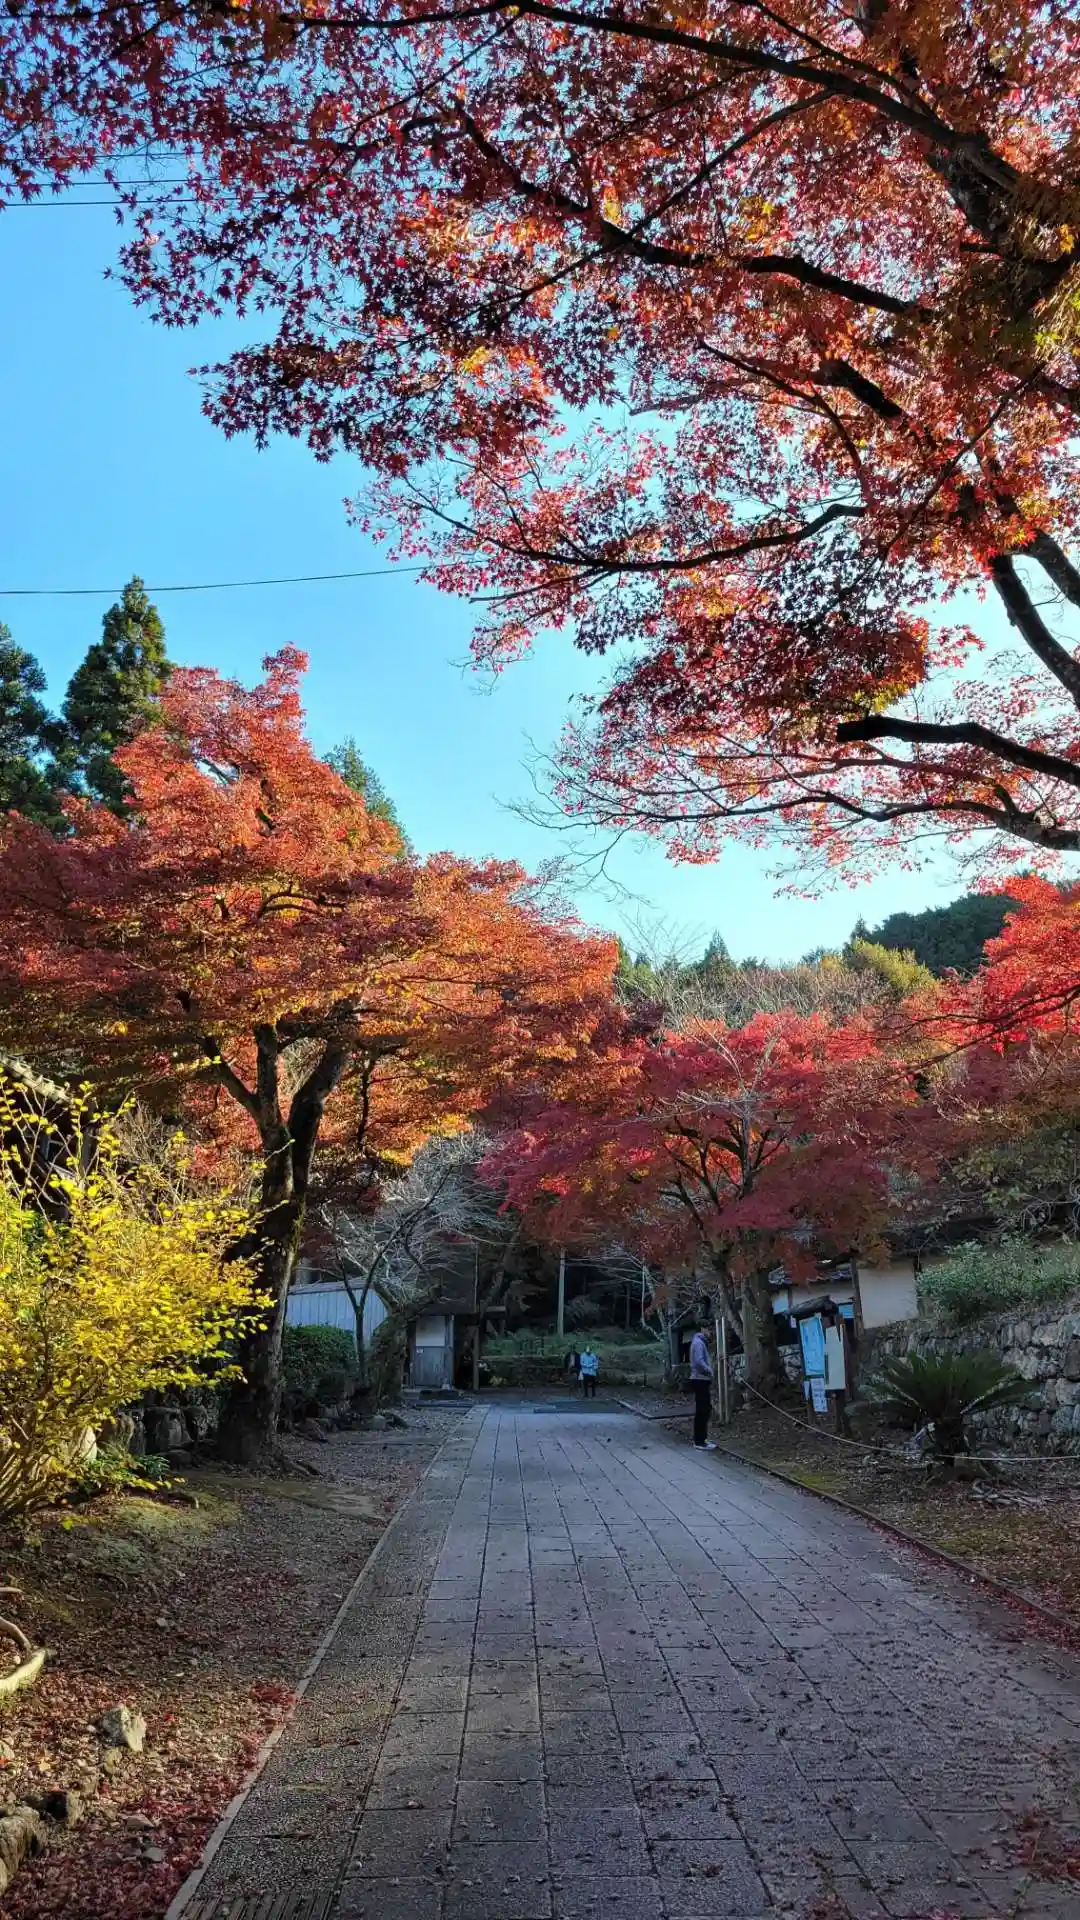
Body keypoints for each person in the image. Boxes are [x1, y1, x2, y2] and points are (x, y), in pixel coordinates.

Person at [688, 1318, 717, 1449]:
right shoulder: (699, 1343)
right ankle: (699, 1440)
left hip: (700, 1379)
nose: (710, 1332)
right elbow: (699, 1362)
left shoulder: (698, 1342)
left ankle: (701, 1438)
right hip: (700, 1379)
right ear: (702, 1329)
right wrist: (709, 1370)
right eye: (708, 1329)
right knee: (702, 1410)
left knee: (704, 1409)